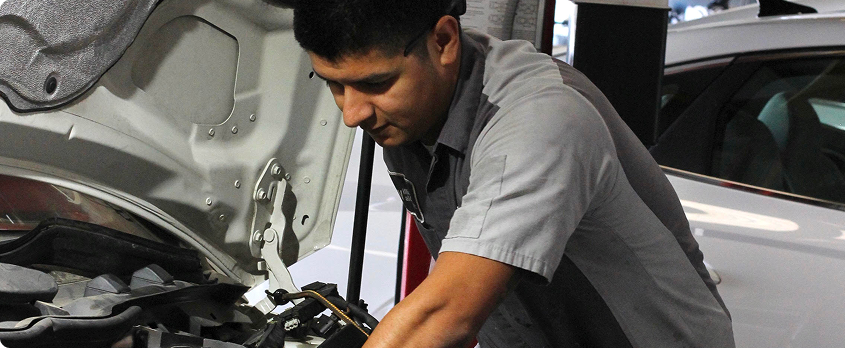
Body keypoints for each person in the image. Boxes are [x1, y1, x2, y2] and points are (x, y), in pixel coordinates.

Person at [292, 0, 735, 347]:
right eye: (334, 84)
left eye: (375, 84)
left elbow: (447, 313)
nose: (352, 114)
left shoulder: (539, 120)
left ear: (444, 41)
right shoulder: (412, 115)